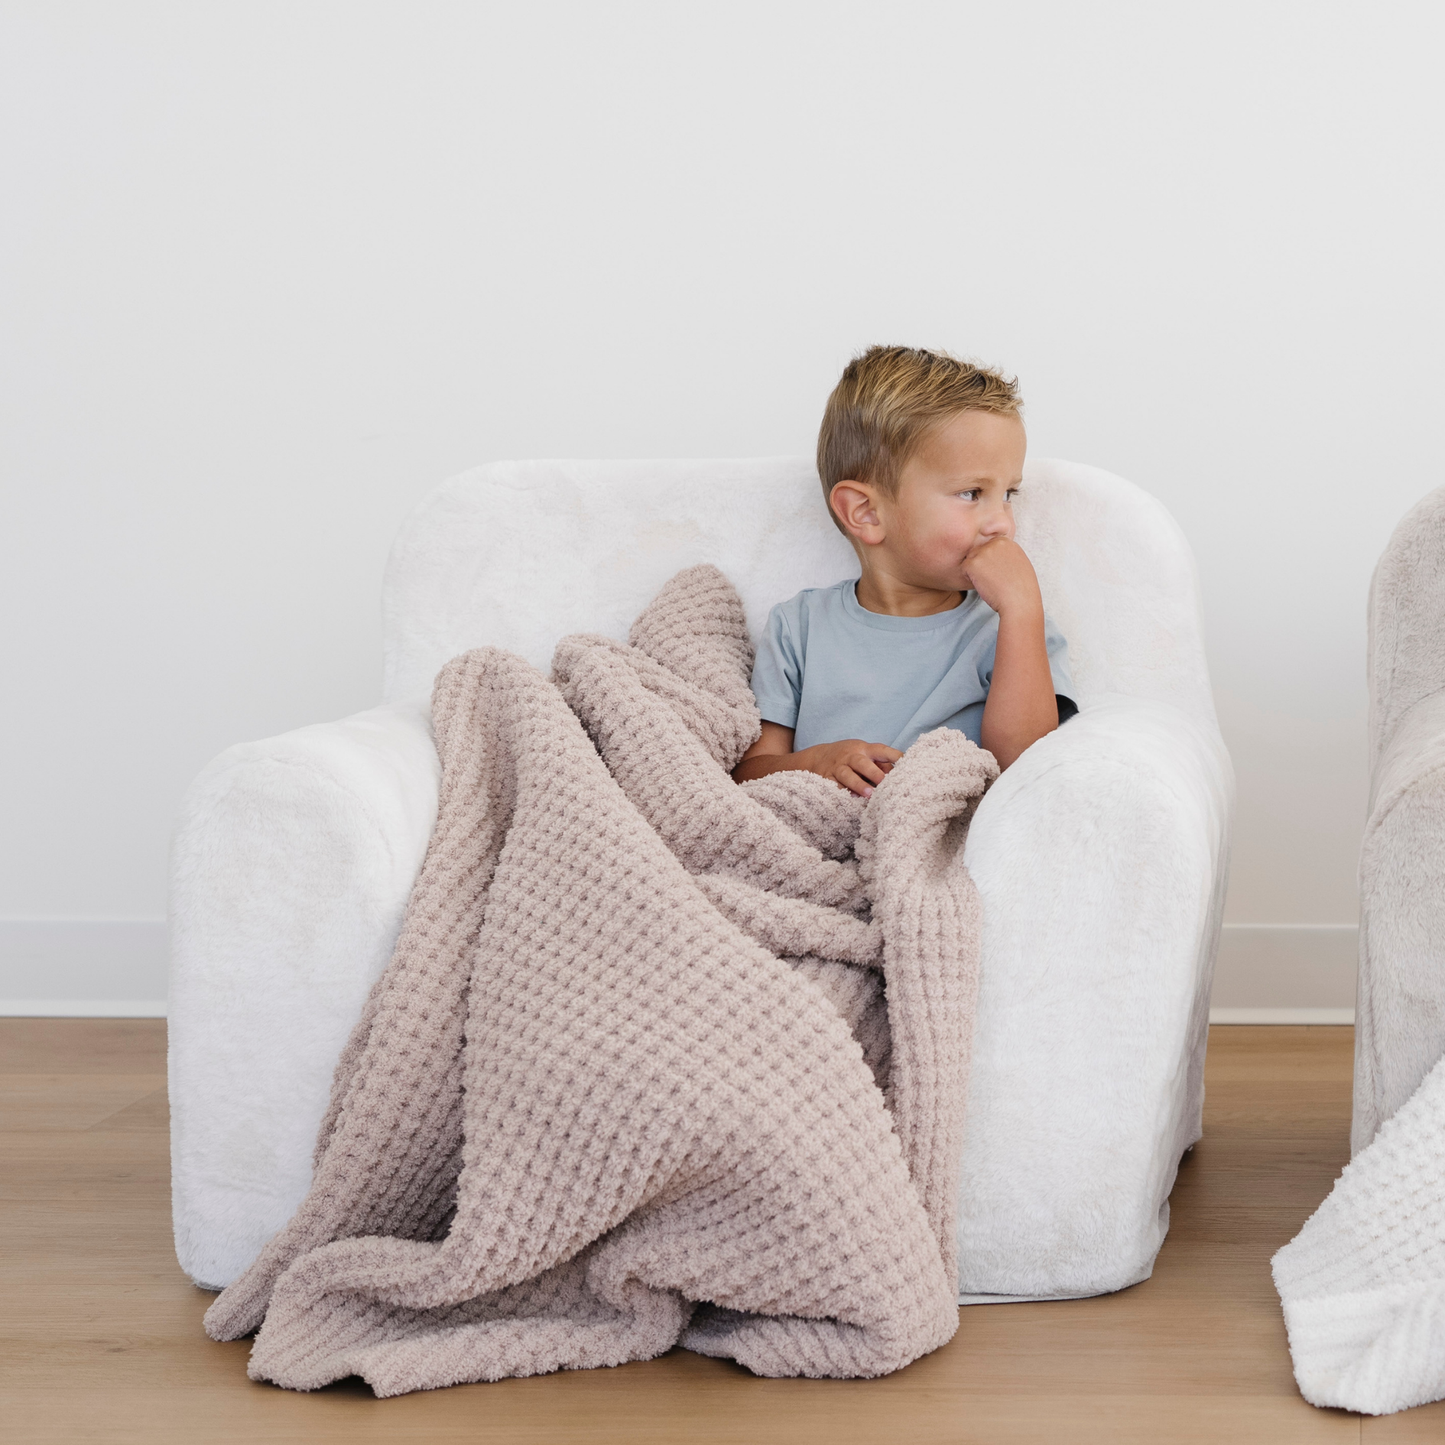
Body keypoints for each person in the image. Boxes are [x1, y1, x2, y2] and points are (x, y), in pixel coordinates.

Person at [733, 345, 1076, 797]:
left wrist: (1021, 611)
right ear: (866, 513)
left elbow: (1027, 770)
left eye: (1009, 493)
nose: (1002, 523)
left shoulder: (1010, 627)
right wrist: (817, 762)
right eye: (972, 493)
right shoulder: (800, 626)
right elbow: (747, 777)